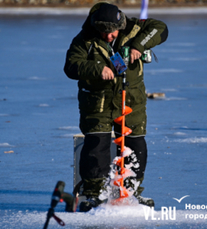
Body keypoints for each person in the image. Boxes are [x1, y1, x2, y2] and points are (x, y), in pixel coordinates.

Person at [64, 2, 168, 212]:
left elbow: (161, 28)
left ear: (119, 24)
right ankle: (94, 195)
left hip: (132, 100)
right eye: (104, 33)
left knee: (135, 145)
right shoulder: (84, 39)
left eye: (112, 32)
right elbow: (71, 66)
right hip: (97, 102)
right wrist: (97, 68)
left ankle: (131, 192)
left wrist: (139, 45)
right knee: (96, 147)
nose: (109, 36)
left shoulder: (134, 28)